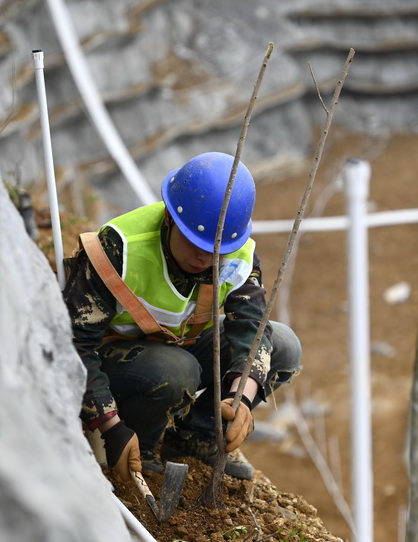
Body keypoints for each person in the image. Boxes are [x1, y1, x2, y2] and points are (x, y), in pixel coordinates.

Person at [63, 152, 302, 482]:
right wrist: (109, 424)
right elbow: (76, 345)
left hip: (177, 348)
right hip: (114, 364)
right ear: (170, 219)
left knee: (284, 346)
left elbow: (253, 329)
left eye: (216, 250)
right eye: (193, 243)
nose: (204, 258)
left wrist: (242, 398)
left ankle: (195, 436)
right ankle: (140, 445)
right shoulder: (119, 248)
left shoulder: (237, 255)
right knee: (177, 370)